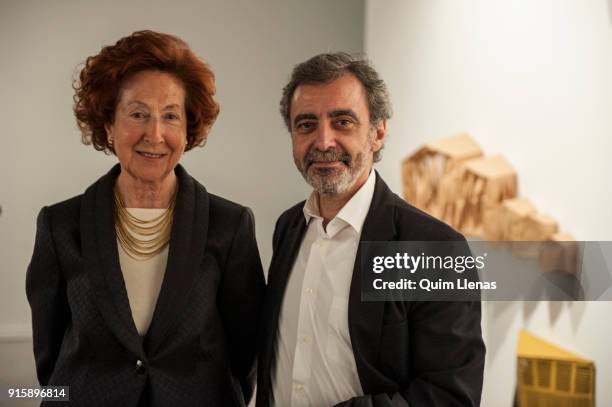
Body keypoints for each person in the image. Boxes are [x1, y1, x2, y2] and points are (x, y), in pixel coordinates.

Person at [26, 30, 265, 406]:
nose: (154, 134)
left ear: (187, 130)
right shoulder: (60, 225)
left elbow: (244, 351)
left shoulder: (230, 225)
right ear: (108, 125)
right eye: (137, 114)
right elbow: (50, 355)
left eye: (170, 116)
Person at [257, 52, 485, 407]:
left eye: (342, 121)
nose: (323, 141)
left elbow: (449, 395)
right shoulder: (289, 227)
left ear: (378, 132)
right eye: (306, 125)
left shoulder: (434, 248)